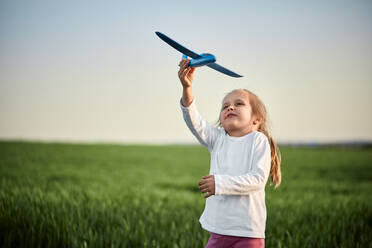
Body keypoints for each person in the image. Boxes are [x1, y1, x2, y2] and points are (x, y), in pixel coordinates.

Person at [178, 59, 282, 248]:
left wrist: (219, 183)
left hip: (247, 232)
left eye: (239, 104)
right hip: (218, 230)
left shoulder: (258, 141)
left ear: (256, 119)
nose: (230, 107)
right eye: (225, 106)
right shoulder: (218, 140)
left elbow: (257, 179)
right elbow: (194, 121)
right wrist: (187, 88)